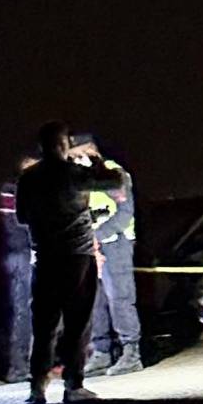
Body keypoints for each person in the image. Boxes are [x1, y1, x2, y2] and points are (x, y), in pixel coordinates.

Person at [16, 122, 123, 404]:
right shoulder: (74, 173)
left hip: (45, 256)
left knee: (44, 324)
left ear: (40, 146)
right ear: (64, 145)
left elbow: (21, 217)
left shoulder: (27, 179)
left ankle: (37, 388)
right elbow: (115, 181)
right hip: (77, 254)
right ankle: (73, 385)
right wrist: (96, 157)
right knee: (78, 321)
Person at [70, 136, 144, 377]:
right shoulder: (78, 178)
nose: (73, 160)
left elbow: (125, 212)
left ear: (91, 151)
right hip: (88, 247)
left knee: (119, 297)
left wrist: (97, 236)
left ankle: (131, 352)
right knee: (93, 300)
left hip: (116, 243)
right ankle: (101, 352)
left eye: (77, 154)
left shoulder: (113, 173)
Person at [0, 154, 37, 382]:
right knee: (24, 309)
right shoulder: (12, 189)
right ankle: (19, 366)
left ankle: (31, 362)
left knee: (35, 309)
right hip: (21, 254)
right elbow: (16, 223)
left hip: (28, 252)